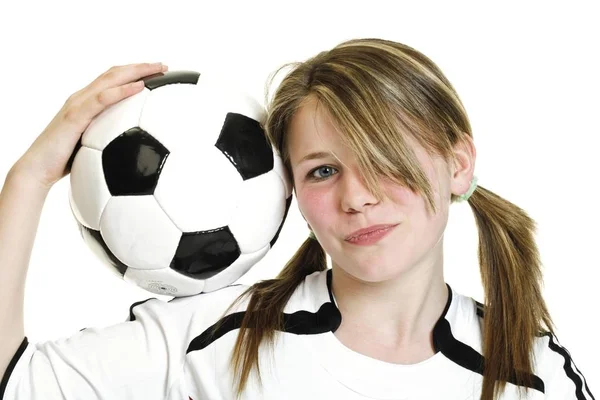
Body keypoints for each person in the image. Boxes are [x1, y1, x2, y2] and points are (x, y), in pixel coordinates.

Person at [0, 39, 594, 400]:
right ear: (289, 194)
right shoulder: (216, 337)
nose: (357, 197)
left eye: (382, 157)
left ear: (458, 165)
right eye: (322, 171)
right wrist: (26, 179)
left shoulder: (532, 372)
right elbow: (15, 386)